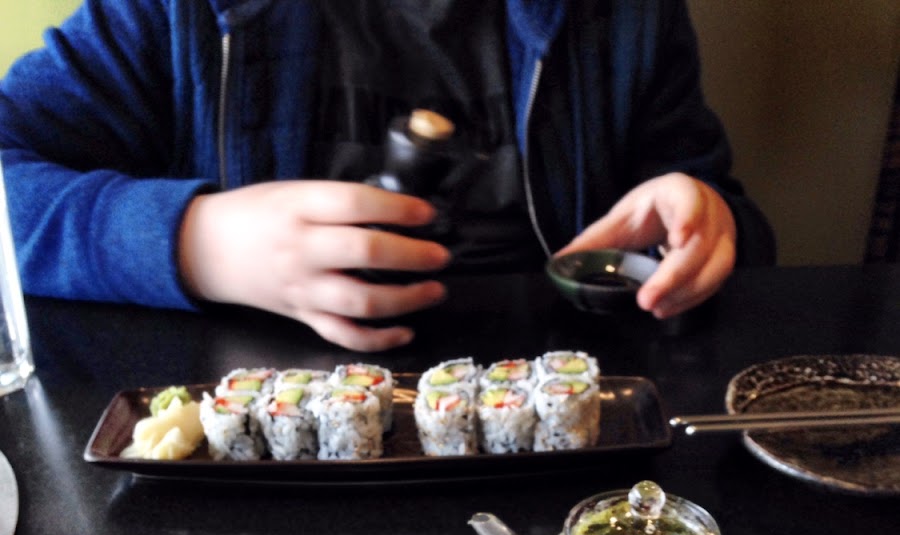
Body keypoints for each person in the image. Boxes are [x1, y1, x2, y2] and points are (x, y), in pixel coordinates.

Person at [0, 0, 775, 352]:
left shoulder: (628, 19)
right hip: (264, 449)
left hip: (568, 439)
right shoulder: (176, 15)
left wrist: (713, 220)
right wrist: (192, 241)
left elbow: (717, 222)